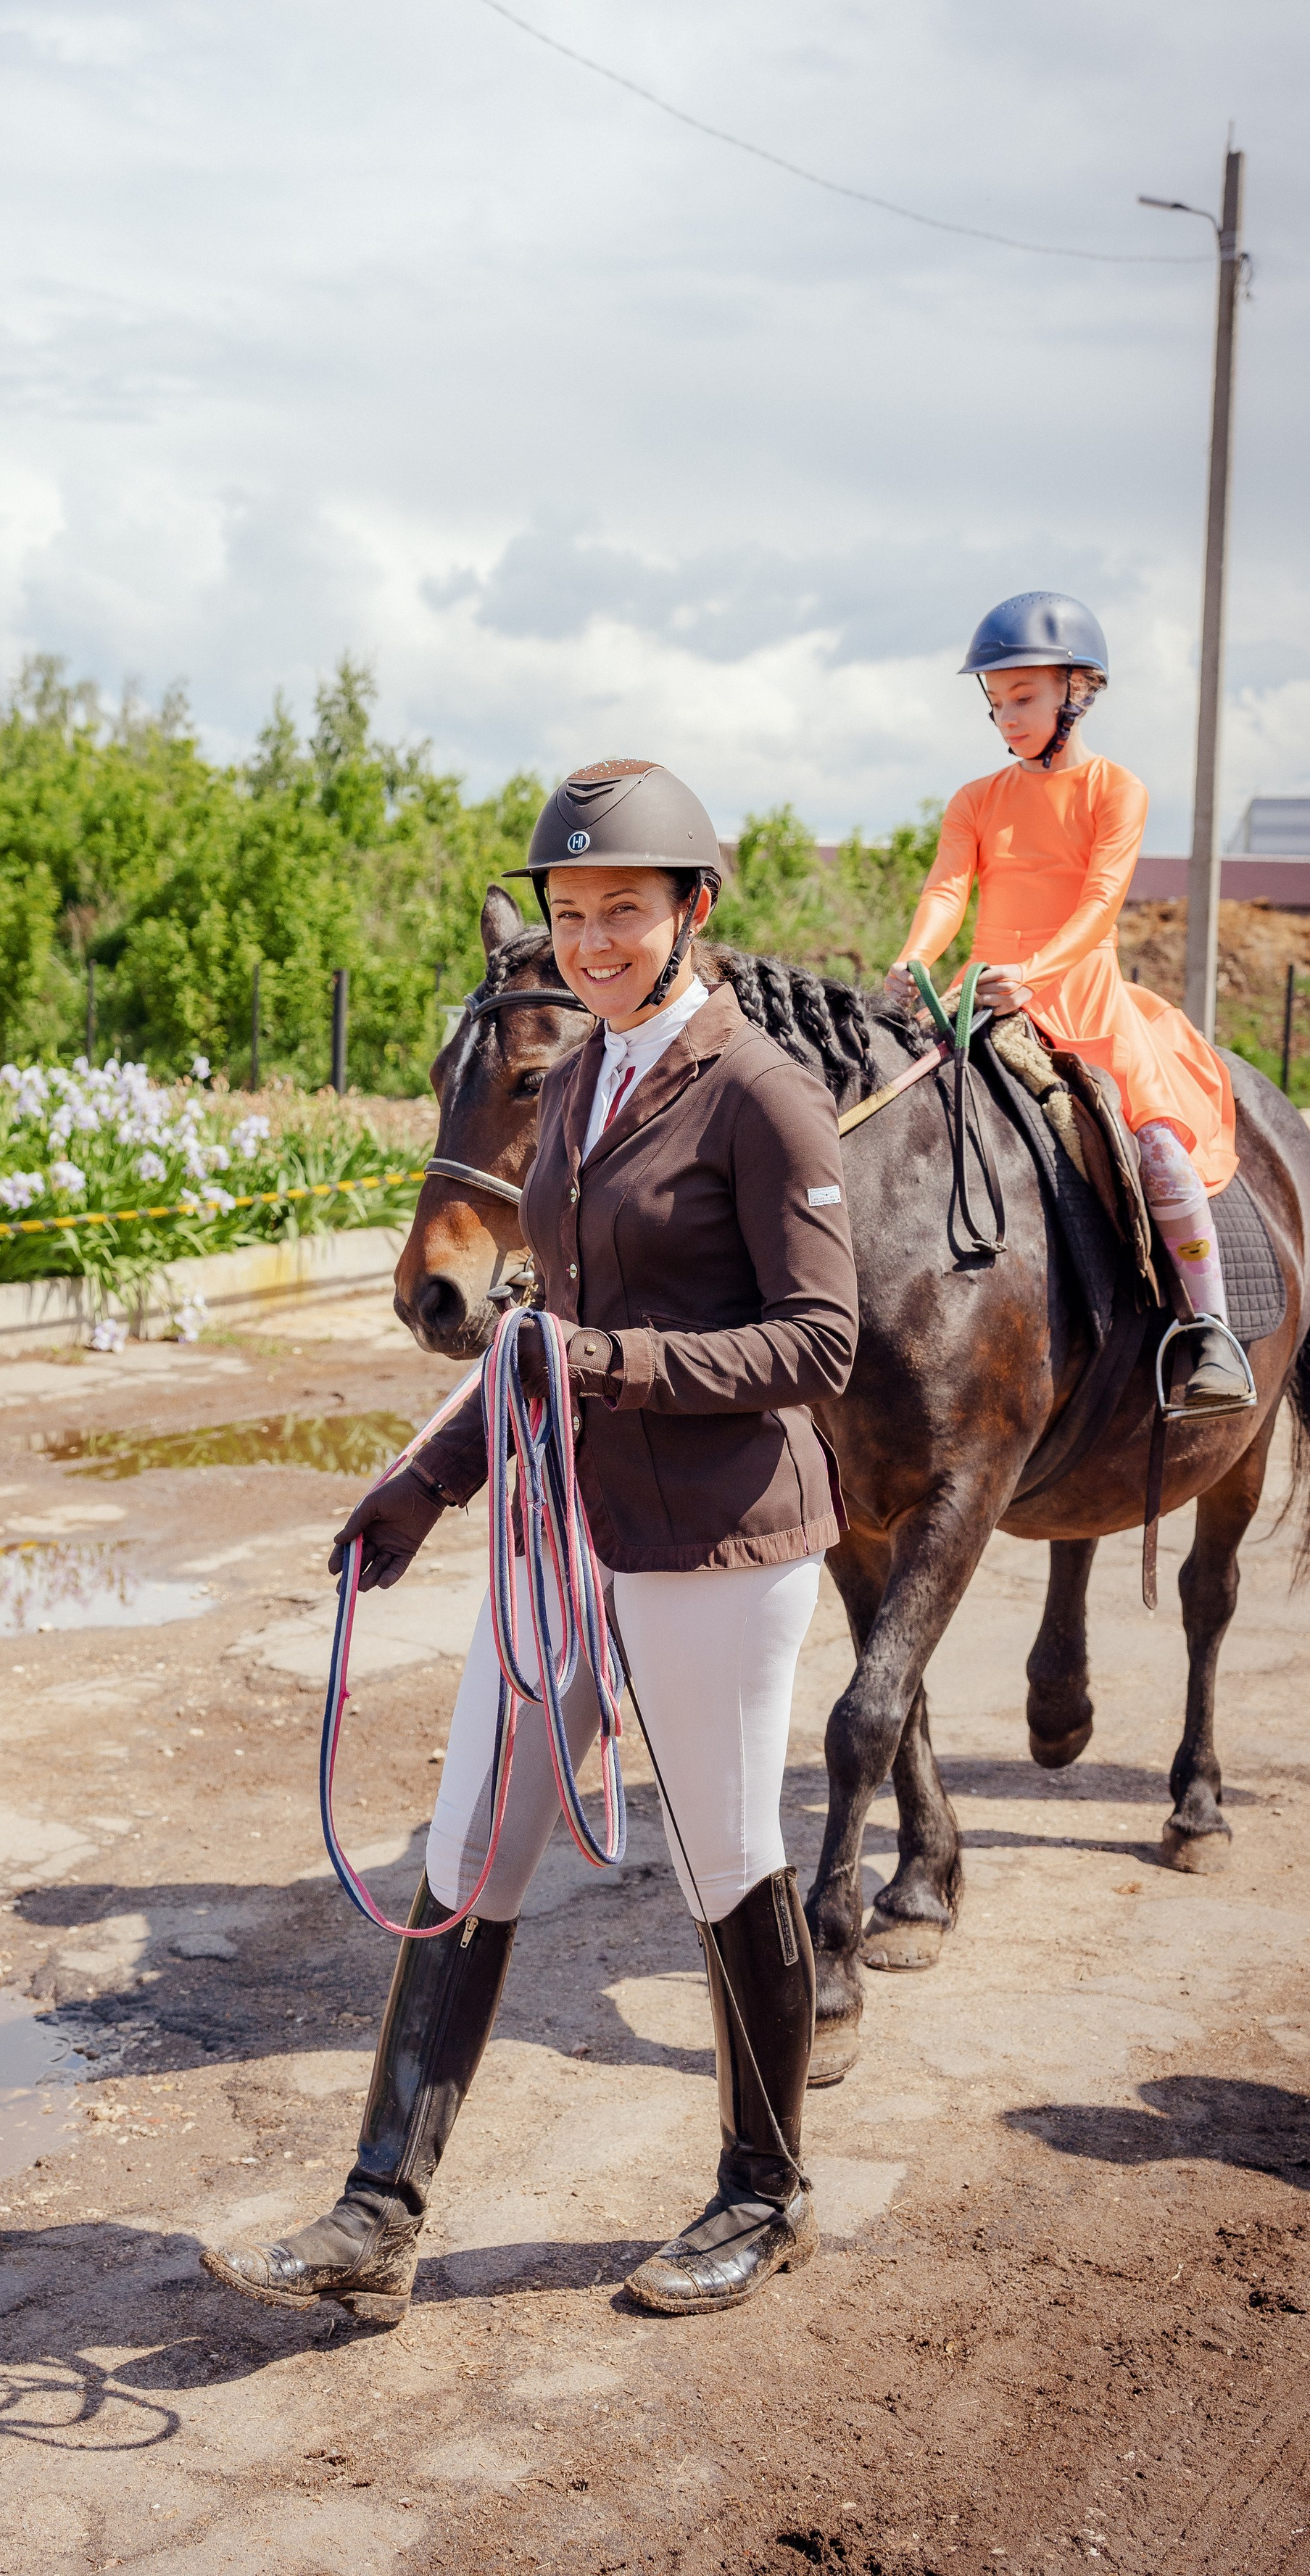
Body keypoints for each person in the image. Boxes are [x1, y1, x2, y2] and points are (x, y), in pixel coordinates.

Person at [199, 760, 858, 2327]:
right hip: (561, 1539)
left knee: (723, 1856)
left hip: (713, 1545)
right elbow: (538, 1334)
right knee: (468, 1853)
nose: (591, 940)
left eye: (621, 911)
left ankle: (763, 2195)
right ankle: (374, 2216)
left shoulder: (761, 1093)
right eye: (569, 914)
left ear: (693, 911)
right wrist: (428, 1484)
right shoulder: (569, 1083)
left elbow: (818, 1343)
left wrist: (610, 1367)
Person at [887, 591, 1249, 1408]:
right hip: (983, 993)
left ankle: (1209, 1330)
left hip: (1081, 997)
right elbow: (947, 890)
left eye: (1022, 698)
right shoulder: (975, 800)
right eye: (994, 704)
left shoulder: (1116, 791)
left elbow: (1099, 905)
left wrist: (1037, 972)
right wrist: (913, 959)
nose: (1006, 717)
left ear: (1075, 691)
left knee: (1157, 1146)